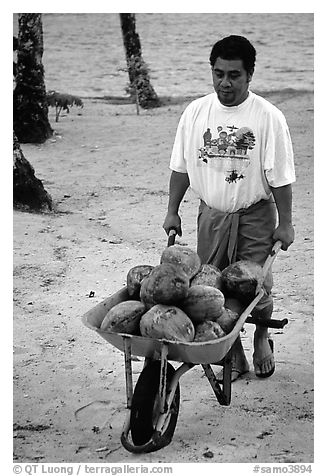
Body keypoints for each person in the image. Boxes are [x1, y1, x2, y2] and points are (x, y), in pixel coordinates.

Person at [162, 35, 295, 382]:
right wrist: (172, 210)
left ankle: (262, 335)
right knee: (213, 287)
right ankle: (230, 349)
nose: (225, 82)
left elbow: (280, 177)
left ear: (249, 75)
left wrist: (286, 223)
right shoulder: (195, 112)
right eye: (218, 73)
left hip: (255, 214)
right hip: (212, 215)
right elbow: (182, 167)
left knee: (256, 287)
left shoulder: (268, 117)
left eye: (234, 75)